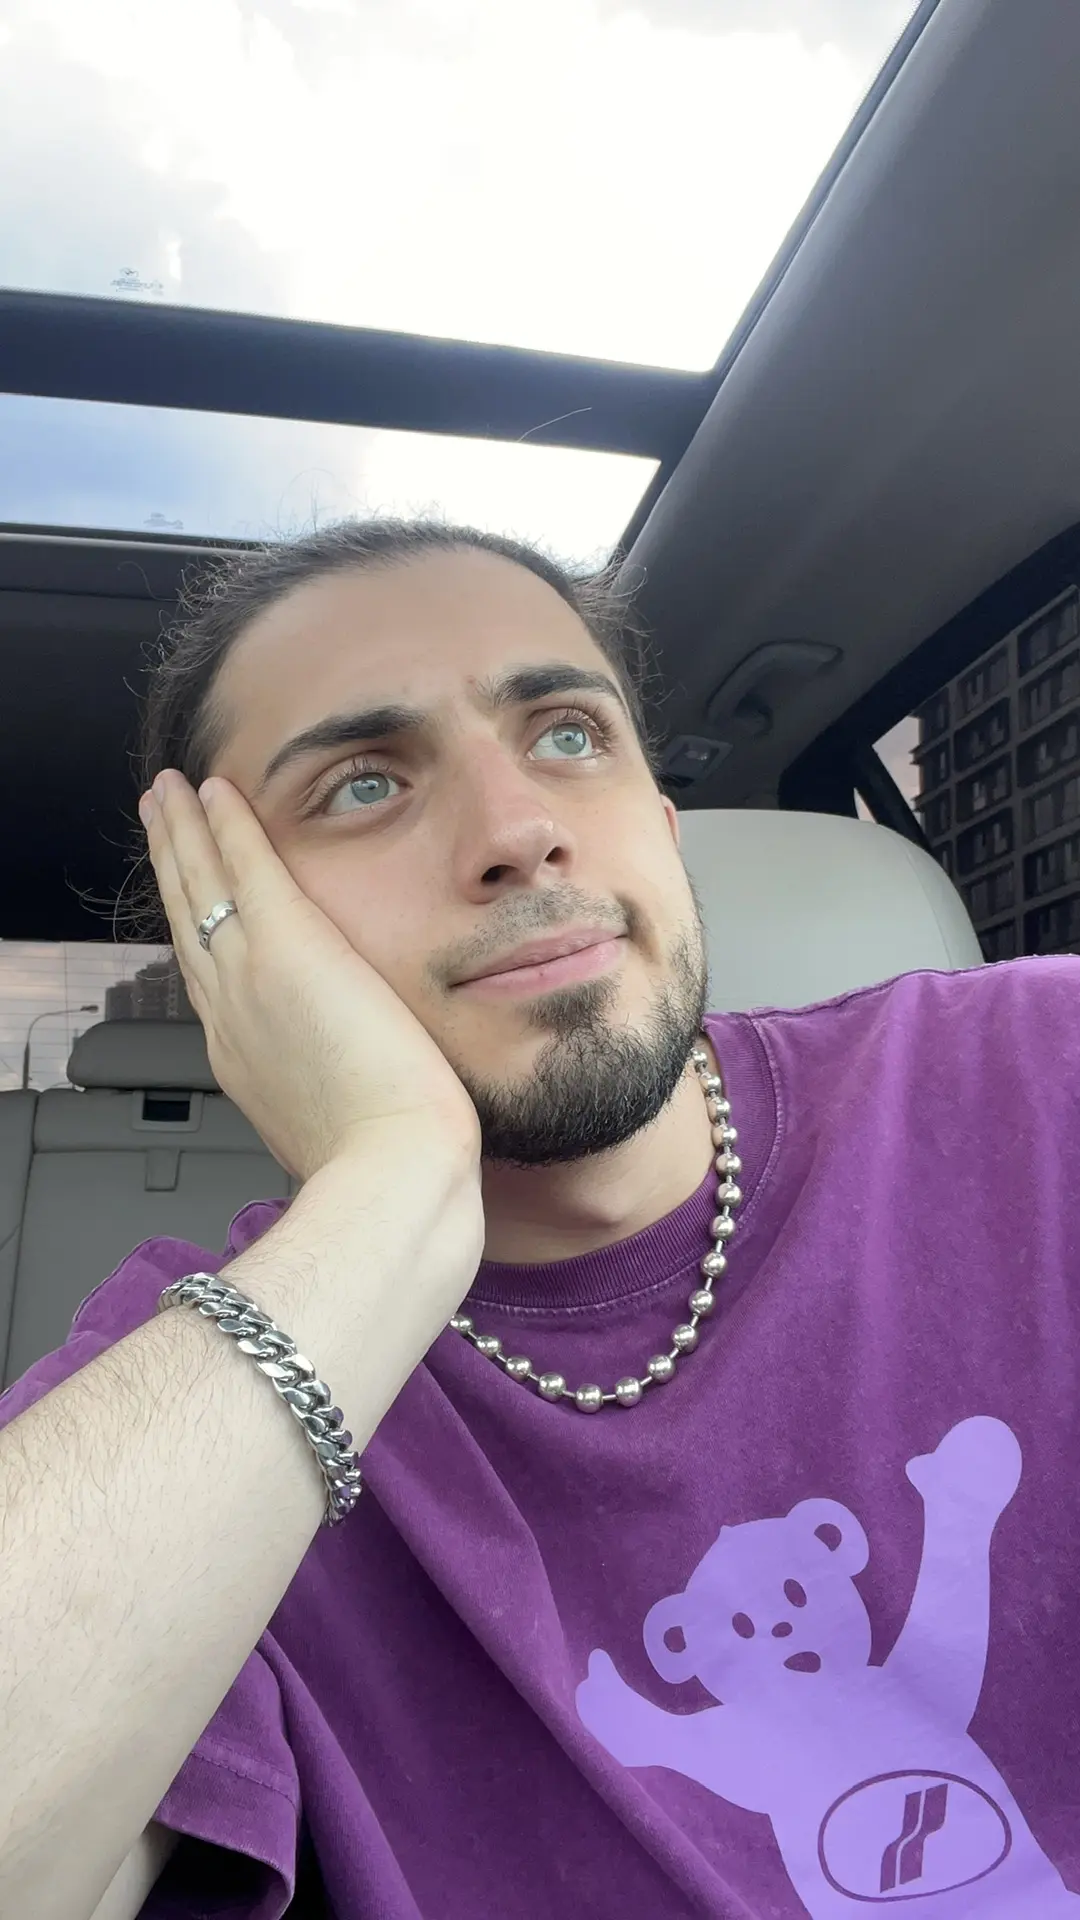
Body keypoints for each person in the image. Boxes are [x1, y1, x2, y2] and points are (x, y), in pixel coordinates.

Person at [0, 519, 1077, 1920]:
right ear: (233, 933)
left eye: (570, 735)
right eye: (365, 783)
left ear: (663, 825)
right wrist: (390, 1181)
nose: (520, 830)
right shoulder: (194, 1401)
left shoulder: (1034, 1071)